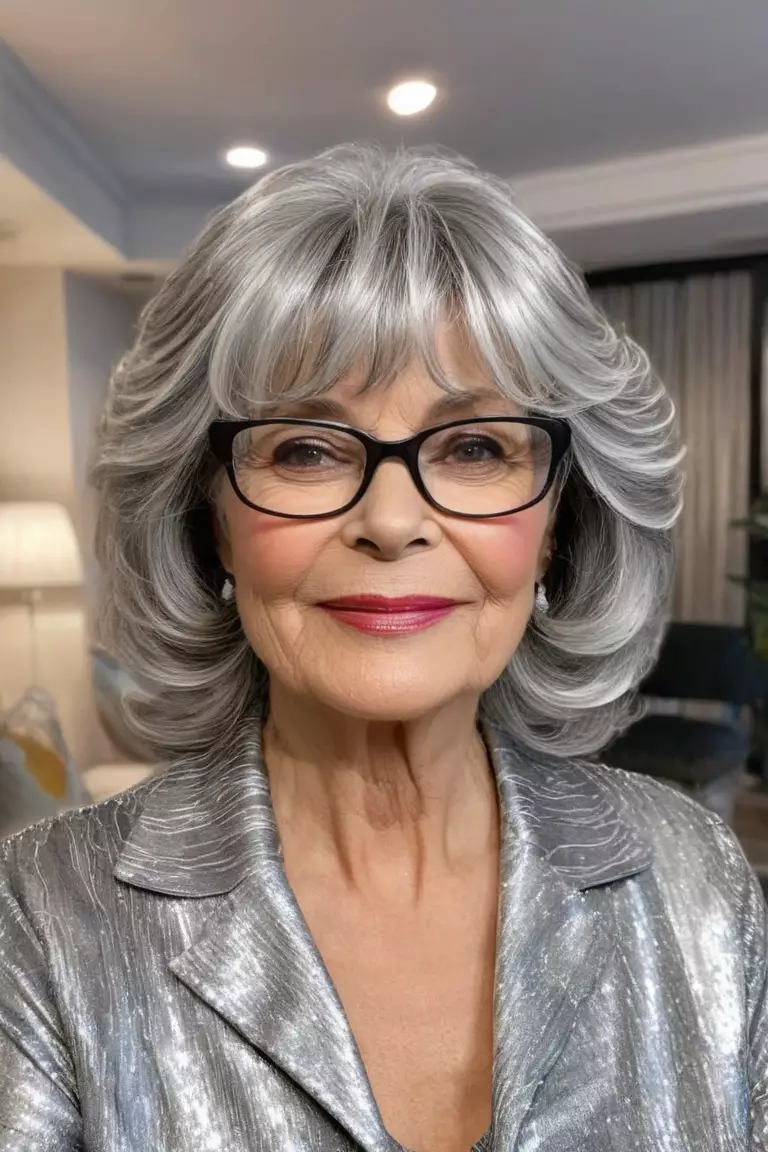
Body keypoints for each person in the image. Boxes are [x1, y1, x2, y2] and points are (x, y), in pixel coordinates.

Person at [0, 144, 764, 1152]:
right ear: (209, 518)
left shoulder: (697, 878)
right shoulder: (44, 917)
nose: (393, 519)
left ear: (559, 527)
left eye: (477, 446)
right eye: (307, 449)